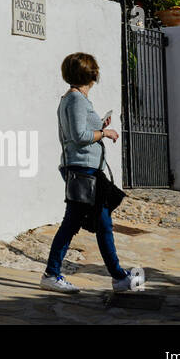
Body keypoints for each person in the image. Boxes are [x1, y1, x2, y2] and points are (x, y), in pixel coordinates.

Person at [39, 52, 145, 294]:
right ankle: (53, 274)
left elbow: (81, 131)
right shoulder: (76, 100)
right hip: (83, 170)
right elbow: (79, 136)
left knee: (101, 222)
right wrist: (105, 133)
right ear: (92, 75)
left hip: (86, 169)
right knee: (75, 223)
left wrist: (99, 126)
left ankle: (118, 277)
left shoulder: (74, 99)